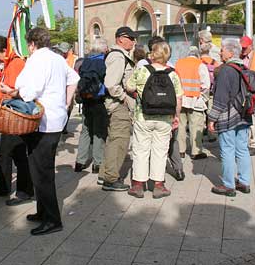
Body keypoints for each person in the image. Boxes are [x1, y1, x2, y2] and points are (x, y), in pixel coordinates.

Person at [0, 27, 79, 236]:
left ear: (32, 44)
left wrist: (12, 92)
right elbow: (74, 79)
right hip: (55, 119)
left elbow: (28, 91)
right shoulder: (57, 58)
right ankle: (42, 211)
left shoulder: (36, 60)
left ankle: (53, 219)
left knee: (41, 173)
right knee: (41, 168)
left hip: (42, 122)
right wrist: (66, 102)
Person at [126, 41, 183, 198]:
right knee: (160, 151)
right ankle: (158, 185)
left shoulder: (142, 71)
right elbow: (178, 98)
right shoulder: (173, 74)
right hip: (165, 118)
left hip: (143, 116)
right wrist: (176, 117)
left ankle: (138, 185)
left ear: (152, 54)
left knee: (140, 150)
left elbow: (129, 87)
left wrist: (138, 93)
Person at [0, 36, 34, 203]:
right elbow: (3, 86)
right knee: (12, 153)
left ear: (5, 50)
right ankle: (9, 187)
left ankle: (20, 189)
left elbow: (11, 90)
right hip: (10, 114)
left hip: (16, 114)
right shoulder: (10, 63)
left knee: (12, 153)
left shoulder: (16, 63)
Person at [208, 38, 253, 197]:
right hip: (244, 114)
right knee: (242, 148)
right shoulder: (243, 67)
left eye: (222, 49)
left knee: (227, 149)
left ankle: (228, 185)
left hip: (228, 115)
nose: (220, 52)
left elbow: (220, 98)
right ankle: (244, 182)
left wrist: (211, 119)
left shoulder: (225, 70)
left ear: (231, 52)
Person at [100, 26, 137, 191]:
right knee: (119, 141)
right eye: (131, 38)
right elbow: (111, 84)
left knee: (112, 140)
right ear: (120, 38)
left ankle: (105, 174)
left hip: (113, 104)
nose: (133, 41)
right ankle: (111, 179)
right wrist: (124, 99)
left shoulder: (116, 55)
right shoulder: (118, 56)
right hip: (118, 105)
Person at [74, 38, 108, 174]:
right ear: (103, 49)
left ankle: (80, 162)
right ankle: (97, 163)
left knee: (86, 130)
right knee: (99, 132)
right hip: (99, 100)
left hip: (86, 99)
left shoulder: (85, 61)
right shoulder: (103, 63)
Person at [175, 46, 210, 159]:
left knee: (180, 125)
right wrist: (203, 97)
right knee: (196, 126)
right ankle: (196, 151)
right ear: (197, 54)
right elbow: (206, 85)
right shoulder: (200, 64)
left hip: (180, 99)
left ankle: (181, 150)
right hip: (195, 100)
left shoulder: (179, 63)